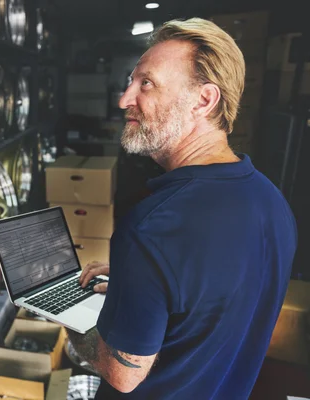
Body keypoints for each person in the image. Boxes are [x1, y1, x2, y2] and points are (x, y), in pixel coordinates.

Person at [66, 18, 297, 399]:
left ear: (203, 101)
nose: (125, 100)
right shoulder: (272, 203)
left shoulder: (153, 228)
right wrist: (138, 284)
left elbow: (122, 373)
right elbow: (212, 296)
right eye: (131, 81)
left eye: (147, 83)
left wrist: (69, 320)